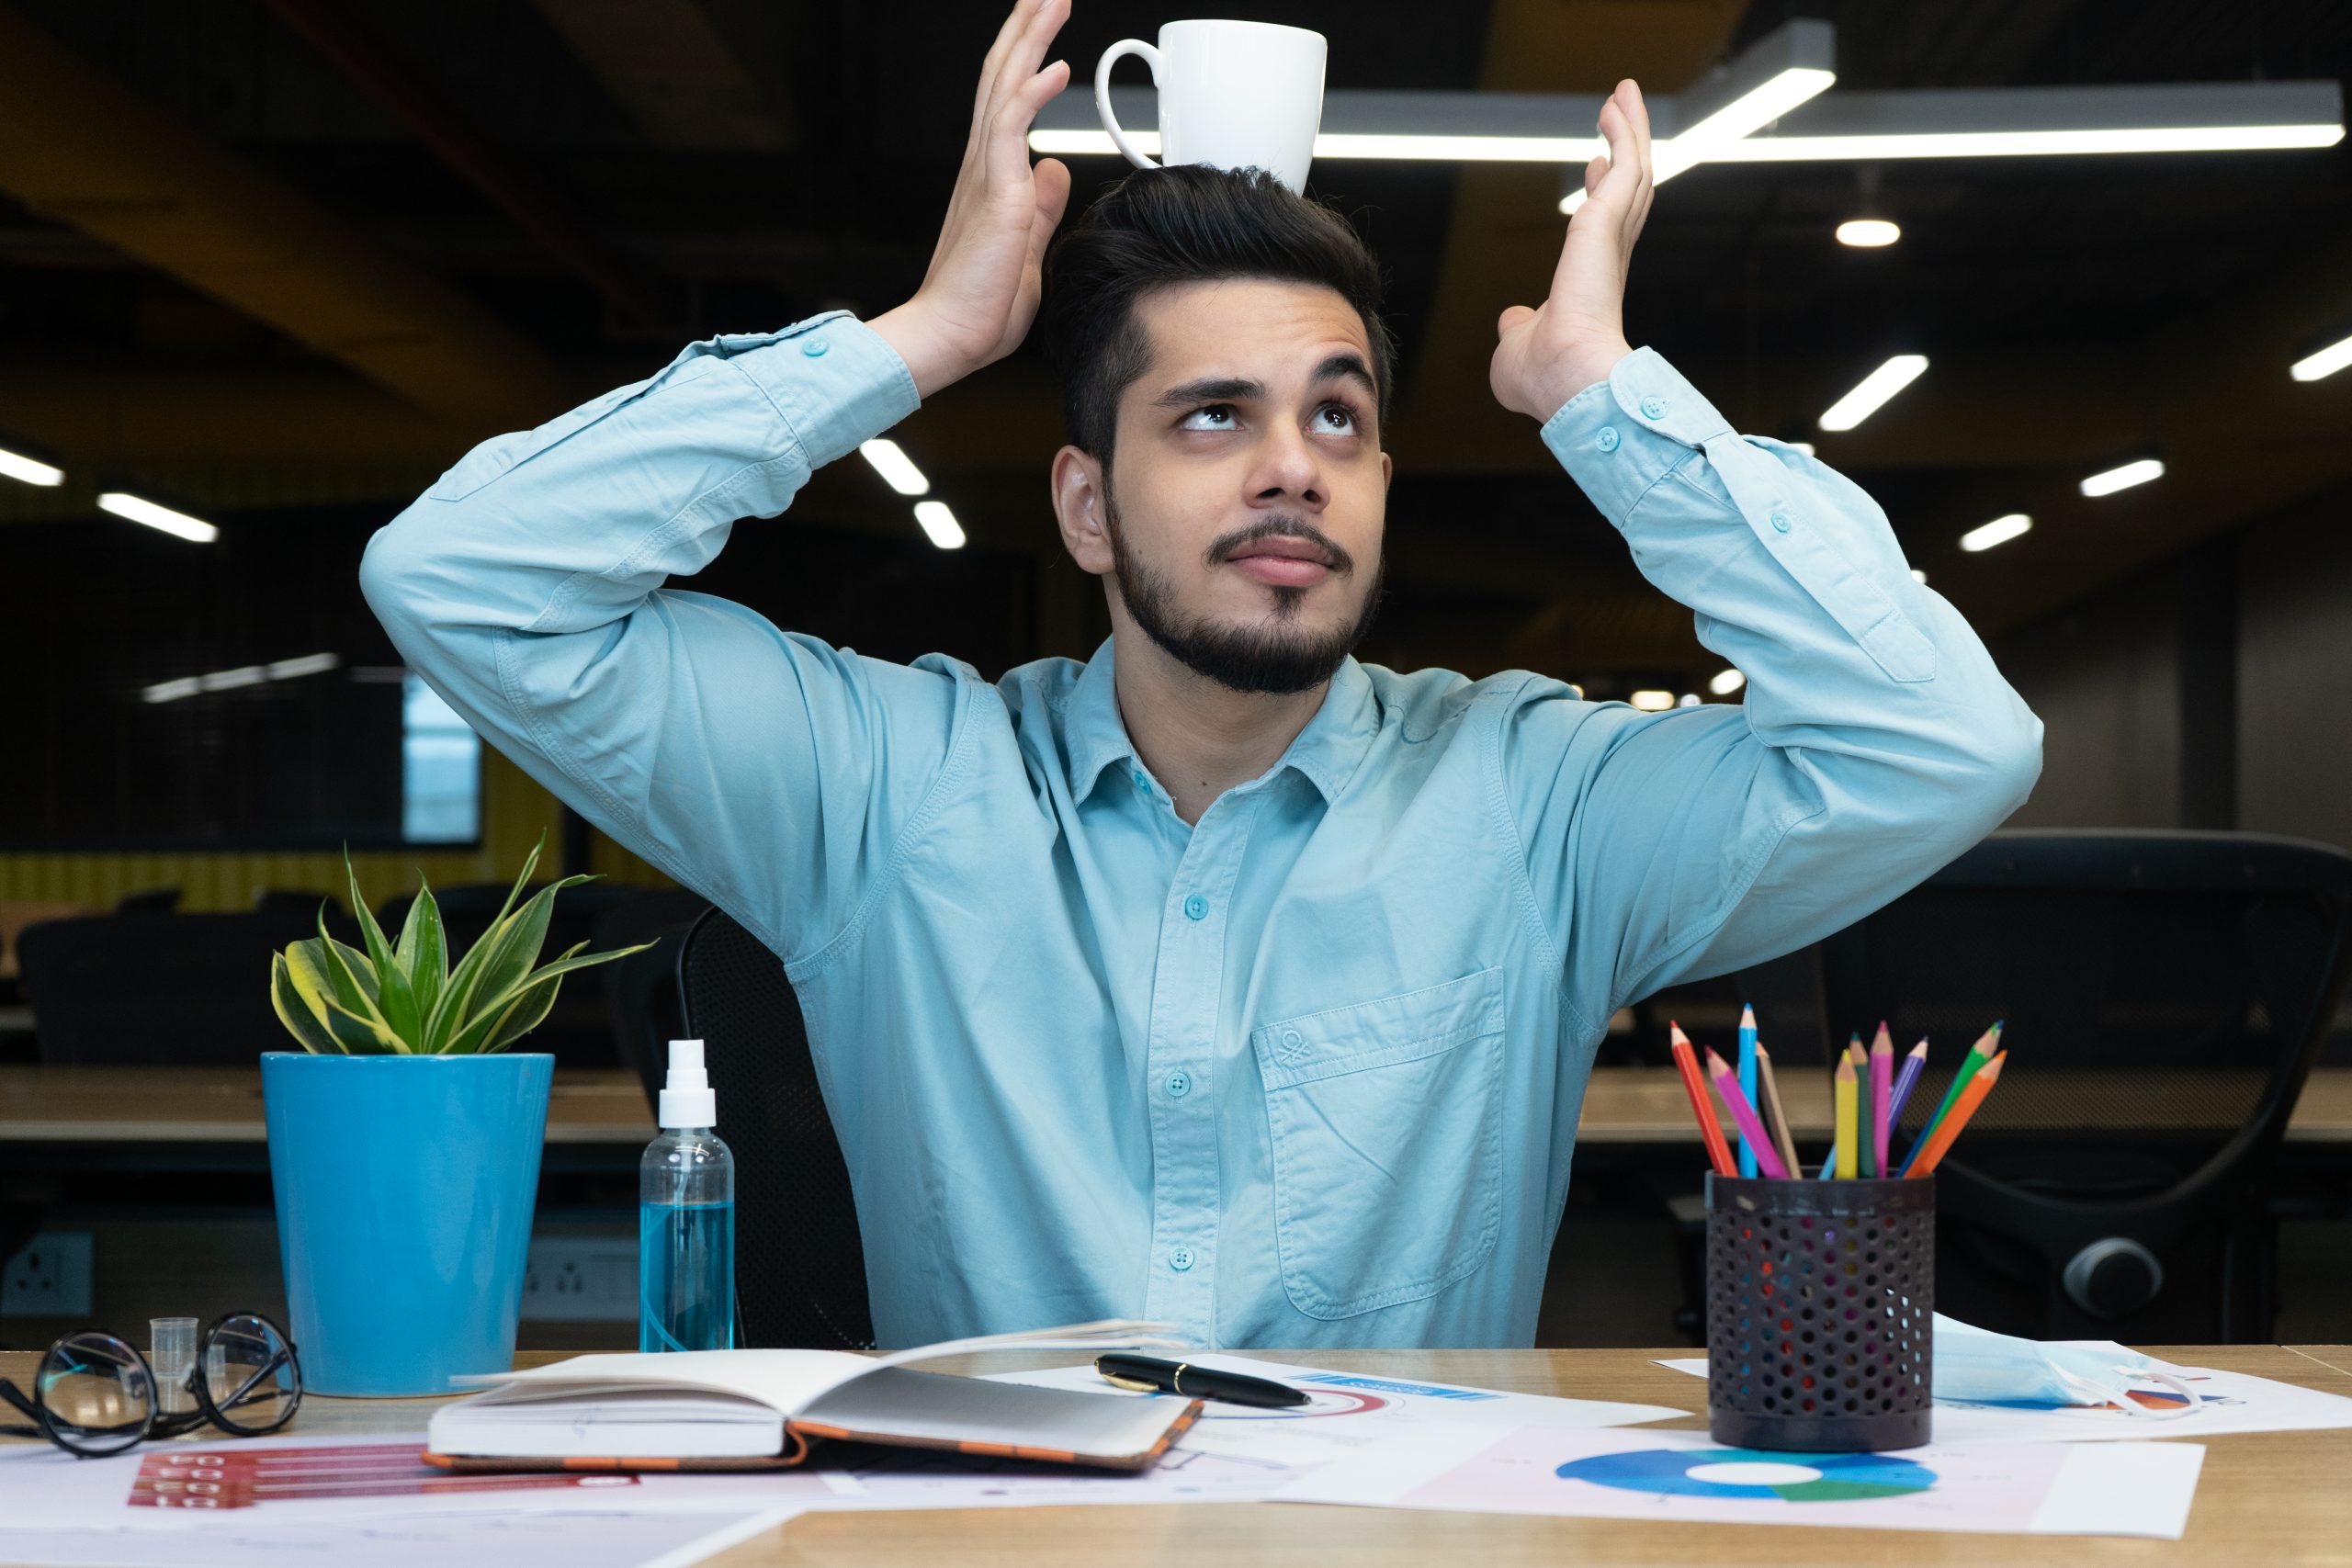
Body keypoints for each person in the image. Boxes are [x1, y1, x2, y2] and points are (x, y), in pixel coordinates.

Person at [362, 0, 2040, 1348]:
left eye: (1339, 418)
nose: (1295, 466)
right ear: (1087, 506)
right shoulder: (877, 788)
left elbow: (1946, 745)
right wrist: (923, 338)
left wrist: (1604, 398)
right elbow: (460, 582)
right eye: (1213, 415)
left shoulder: (1538, 805)